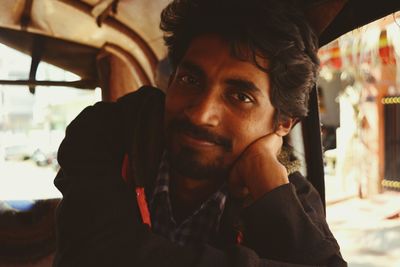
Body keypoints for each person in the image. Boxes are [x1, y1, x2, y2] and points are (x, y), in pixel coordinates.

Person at [53, 0, 346, 266]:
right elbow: (98, 253)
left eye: (240, 97)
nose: (200, 113)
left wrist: (270, 194)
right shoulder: (108, 134)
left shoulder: (292, 198)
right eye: (190, 79)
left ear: (283, 124)